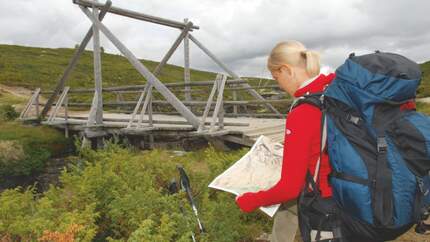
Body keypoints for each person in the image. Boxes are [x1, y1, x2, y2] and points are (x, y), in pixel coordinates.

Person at [235, 41, 415, 242]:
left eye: (277, 78)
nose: (279, 84)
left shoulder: (303, 112)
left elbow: (290, 187)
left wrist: (249, 201)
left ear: (286, 70)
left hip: (329, 209)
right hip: (366, 197)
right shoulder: (339, 92)